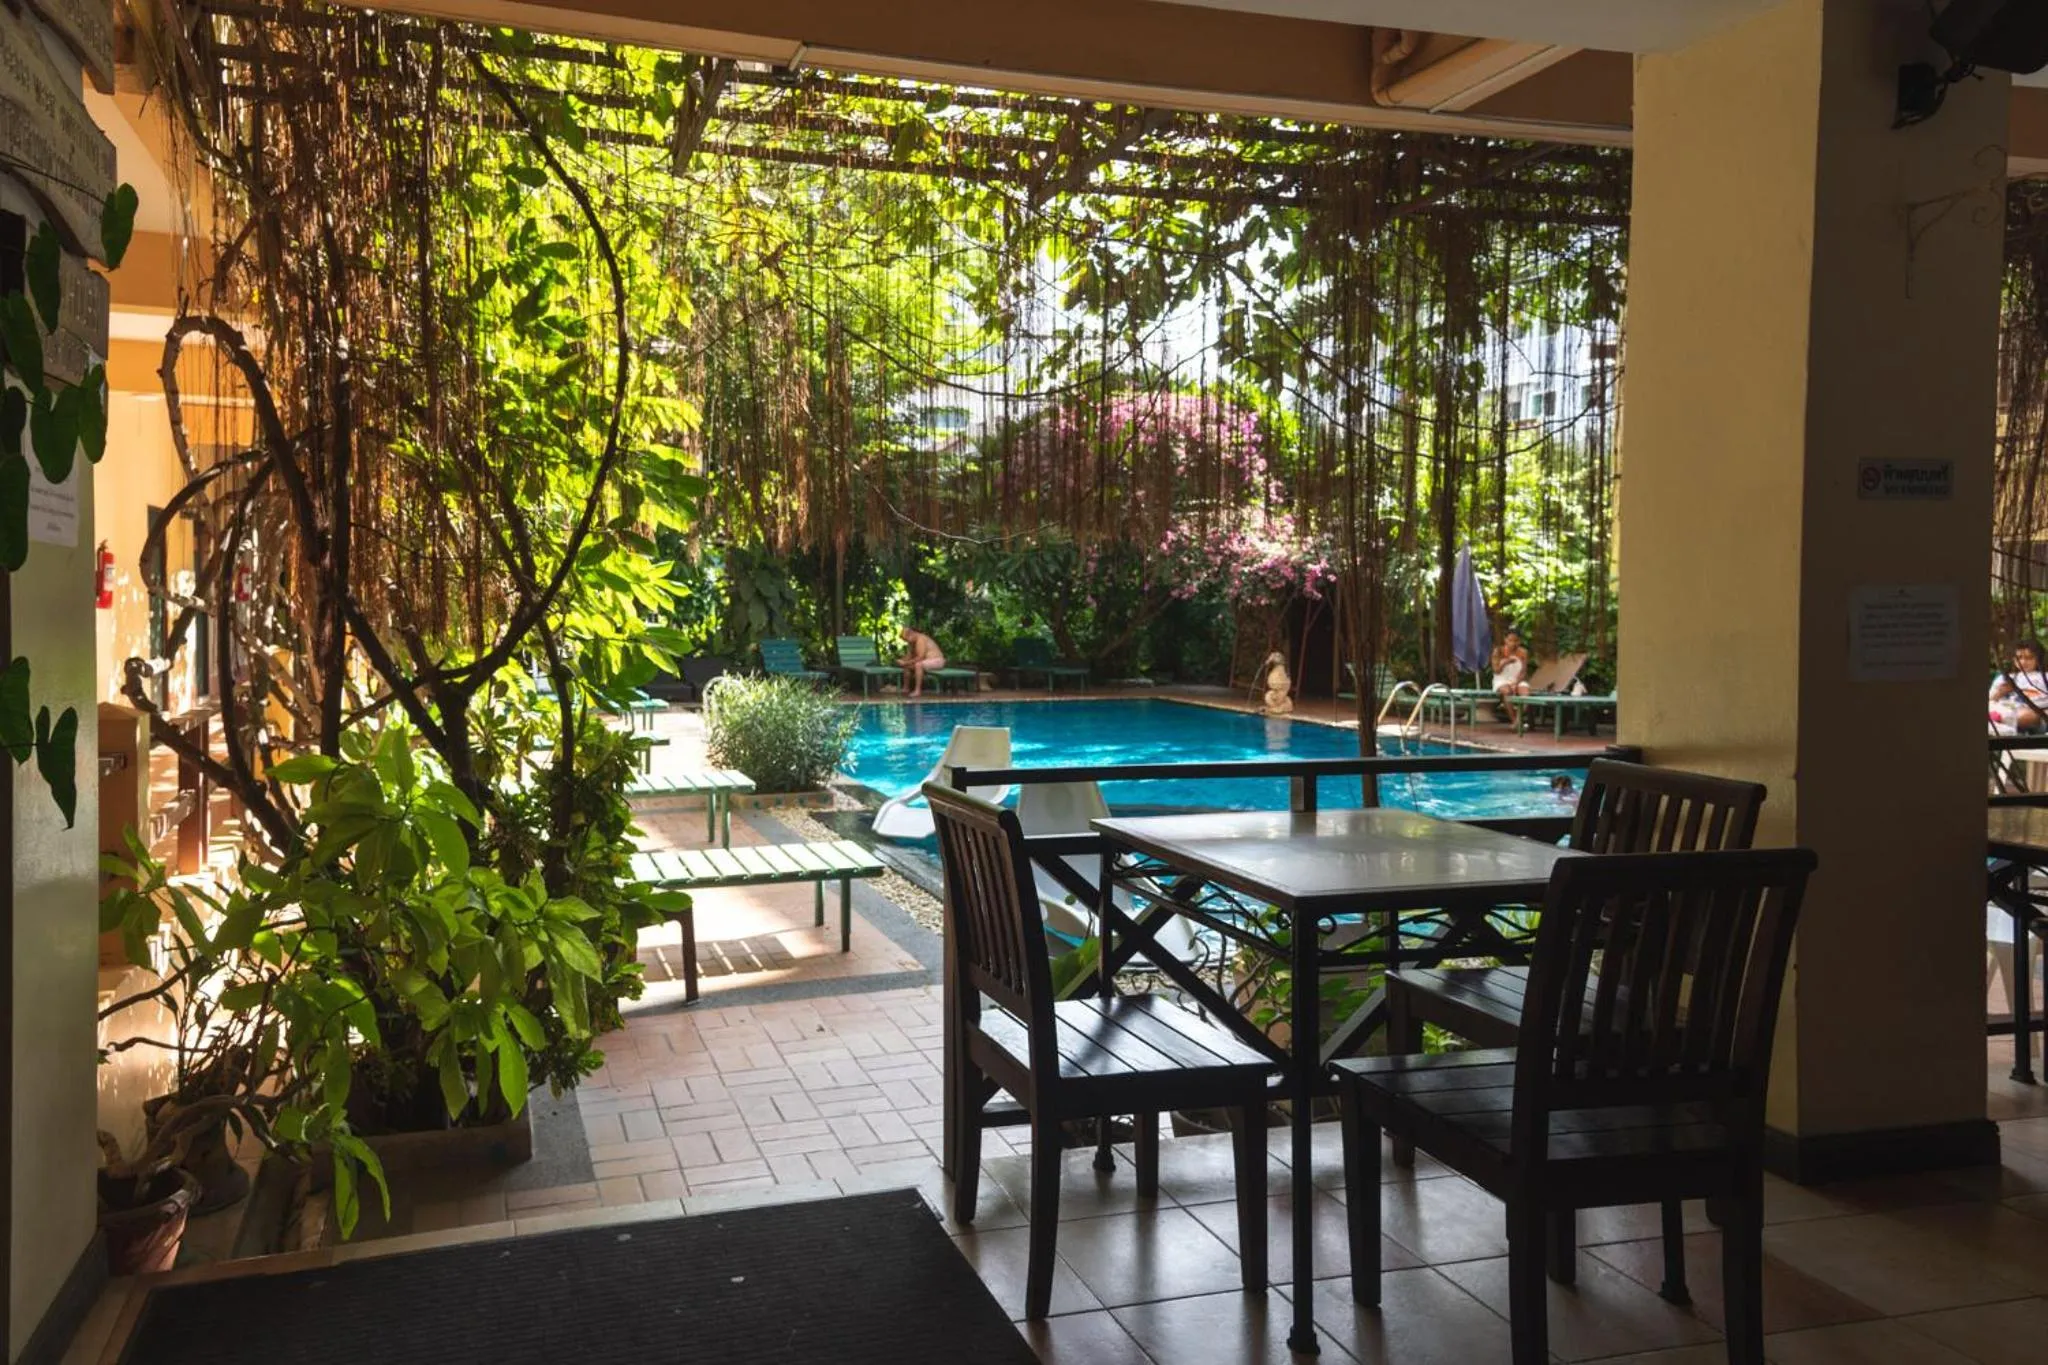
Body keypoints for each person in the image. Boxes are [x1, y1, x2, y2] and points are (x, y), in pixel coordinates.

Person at [1991, 640, 2048, 732]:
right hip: (2004, 708)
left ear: (2039, 658)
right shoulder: (2006, 677)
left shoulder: (2045, 676)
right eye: (2019, 658)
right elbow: (1990, 700)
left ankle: (1999, 725)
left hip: (2033, 712)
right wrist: (2000, 692)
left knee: (2024, 716)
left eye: (2029, 658)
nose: (2023, 662)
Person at [1489, 629, 1532, 725]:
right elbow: (1496, 670)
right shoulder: (1498, 651)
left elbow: (1524, 671)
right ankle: (1513, 719)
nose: (1513, 643)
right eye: (1510, 640)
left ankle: (1518, 719)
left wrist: (1516, 683)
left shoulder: (1523, 652)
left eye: (1516, 641)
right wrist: (1505, 662)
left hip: (1517, 679)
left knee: (1526, 693)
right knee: (1507, 691)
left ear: (1519, 641)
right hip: (1501, 679)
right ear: (1505, 640)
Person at [897, 625, 947, 699]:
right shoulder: (912, 642)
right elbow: (908, 657)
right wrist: (902, 661)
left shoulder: (921, 639)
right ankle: (906, 688)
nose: (906, 641)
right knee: (907, 666)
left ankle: (918, 690)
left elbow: (920, 657)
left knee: (918, 665)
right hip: (926, 662)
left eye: (906, 639)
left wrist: (906, 663)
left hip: (937, 661)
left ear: (912, 634)